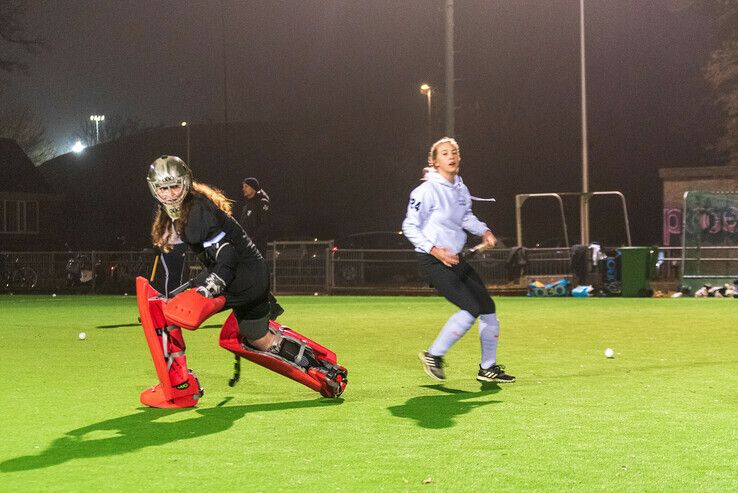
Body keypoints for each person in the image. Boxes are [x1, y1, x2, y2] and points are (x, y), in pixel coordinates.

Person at [148, 156, 304, 359]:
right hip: (247, 273)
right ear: (155, 189)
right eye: (163, 189)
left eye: (175, 186)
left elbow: (226, 254)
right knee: (258, 338)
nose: (170, 195)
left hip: (241, 277)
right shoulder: (189, 206)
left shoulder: (197, 211)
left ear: (185, 182)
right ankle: (319, 368)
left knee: (174, 314)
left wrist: (210, 287)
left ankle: (180, 382)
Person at [402, 137, 516, 383]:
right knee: (471, 308)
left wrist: (484, 231)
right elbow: (409, 226)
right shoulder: (425, 191)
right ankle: (433, 355)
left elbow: (466, 217)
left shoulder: (460, 189)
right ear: (434, 161)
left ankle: (487, 368)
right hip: (432, 260)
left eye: (454, 152)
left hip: (455, 259)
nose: (451, 156)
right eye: (444, 153)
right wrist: (434, 250)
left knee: (488, 309)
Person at [239, 176, 284, 319]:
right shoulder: (248, 205)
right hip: (246, 246)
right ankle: (270, 307)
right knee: (251, 278)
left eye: (245, 186)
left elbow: (265, 226)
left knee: (254, 278)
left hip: (255, 247)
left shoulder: (262, 203)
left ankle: (271, 307)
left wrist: (252, 238)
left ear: (253, 187)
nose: (243, 189)